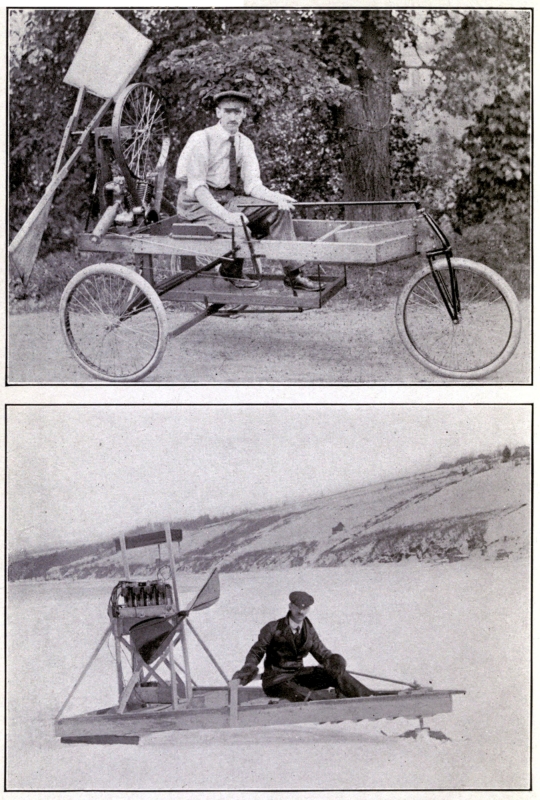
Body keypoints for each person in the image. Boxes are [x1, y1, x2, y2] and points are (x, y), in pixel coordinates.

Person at [175, 90, 322, 291]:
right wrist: (228, 217)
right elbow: (198, 188)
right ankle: (230, 270)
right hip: (196, 205)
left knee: (278, 210)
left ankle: (293, 274)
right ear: (218, 113)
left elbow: (252, 185)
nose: (233, 117)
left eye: (238, 112)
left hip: (227, 199)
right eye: (228, 111)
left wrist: (275, 197)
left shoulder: (244, 143)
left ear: (244, 114)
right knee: (238, 231)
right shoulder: (201, 139)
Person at [232, 591, 374, 702]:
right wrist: (248, 668)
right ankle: (333, 708)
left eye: (305, 609)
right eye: (297, 608)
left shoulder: (308, 630)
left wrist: (334, 662)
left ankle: (370, 699)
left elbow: (321, 652)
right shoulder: (273, 628)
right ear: (290, 606)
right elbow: (256, 652)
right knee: (307, 698)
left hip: (298, 676)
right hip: (277, 681)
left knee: (336, 674)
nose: (301, 612)